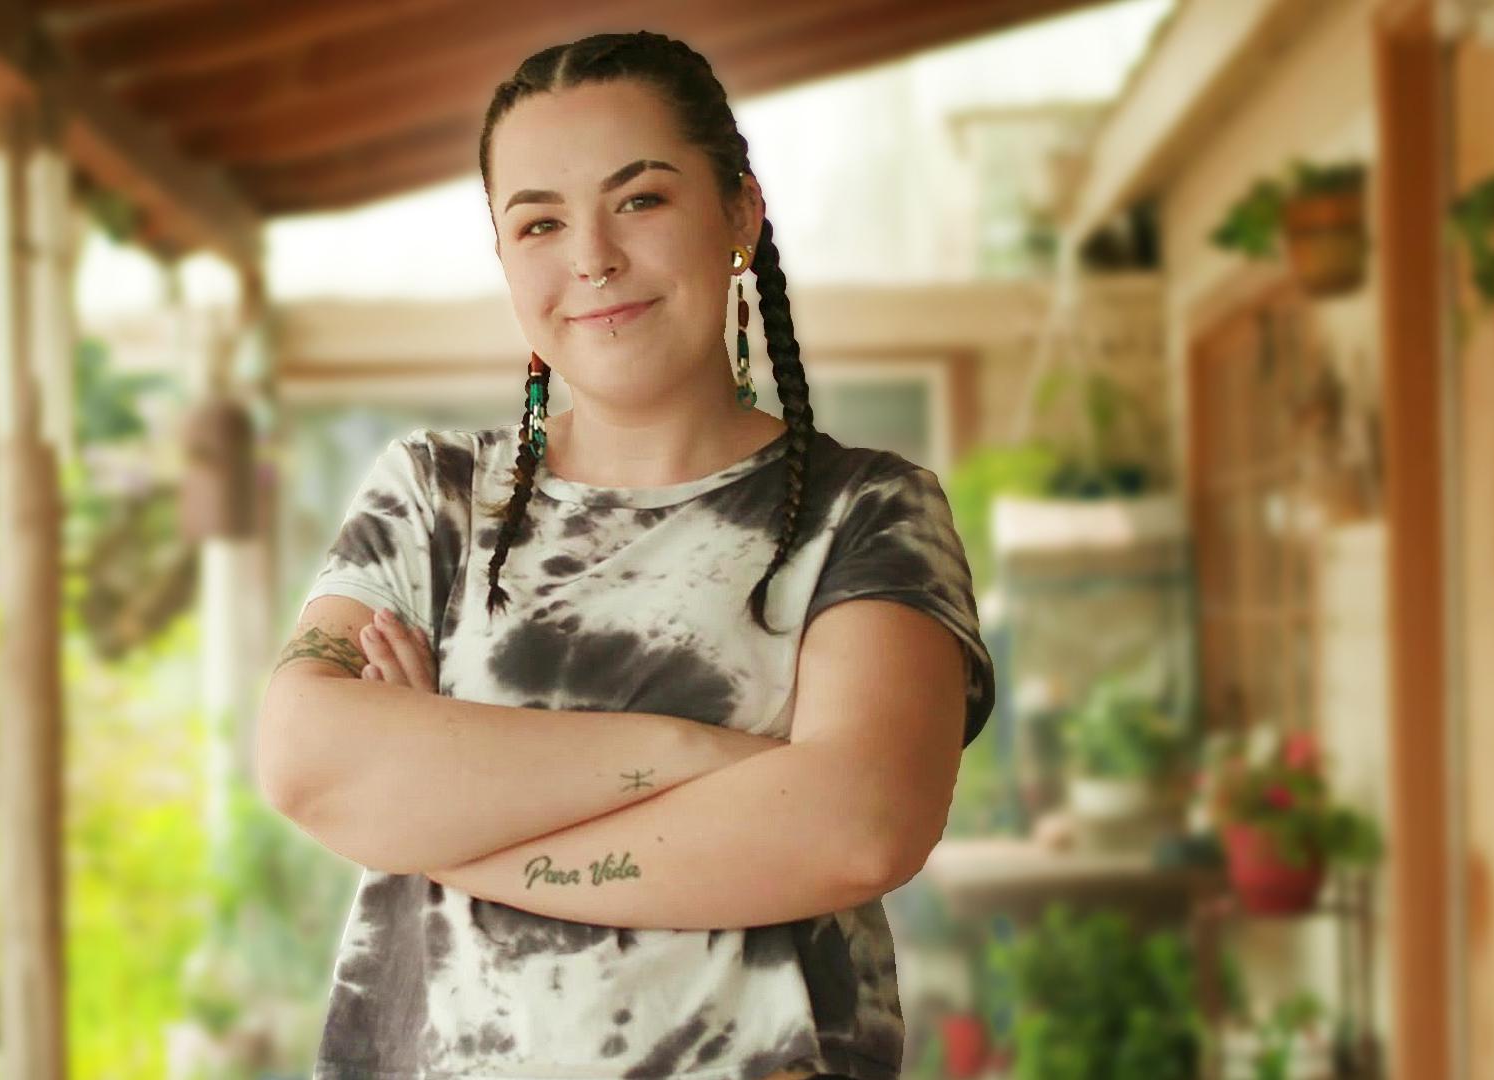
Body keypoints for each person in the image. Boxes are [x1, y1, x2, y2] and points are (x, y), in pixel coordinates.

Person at [256, 30, 996, 1080]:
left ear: (740, 214)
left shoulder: (868, 511)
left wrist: (440, 824)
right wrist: (704, 759)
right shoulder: (432, 496)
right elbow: (306, 761)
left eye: (640, 199)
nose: (591, 257)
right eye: (540, 222)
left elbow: (856, 829)